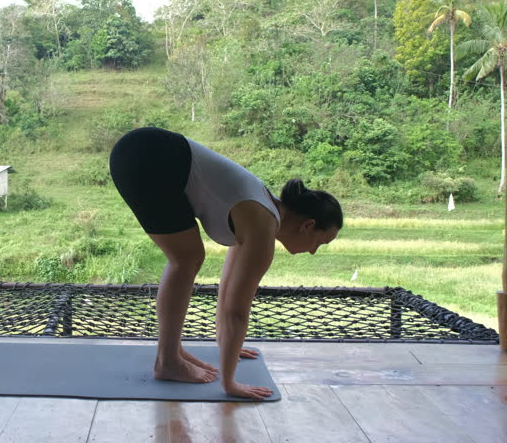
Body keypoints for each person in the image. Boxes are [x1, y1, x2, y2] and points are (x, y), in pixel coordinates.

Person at [109, 127, 343, 400]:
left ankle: (171, 352)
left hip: (145, 150)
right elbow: (237, 312)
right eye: (320, 243)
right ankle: (168, 360)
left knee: (188, 257)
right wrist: (230, 384)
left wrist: (227, 343)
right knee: (186, 258)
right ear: (308, 225)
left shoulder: (262, 212)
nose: (314, 252)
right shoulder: (261, 225)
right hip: (149, 155)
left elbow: (229, 290)